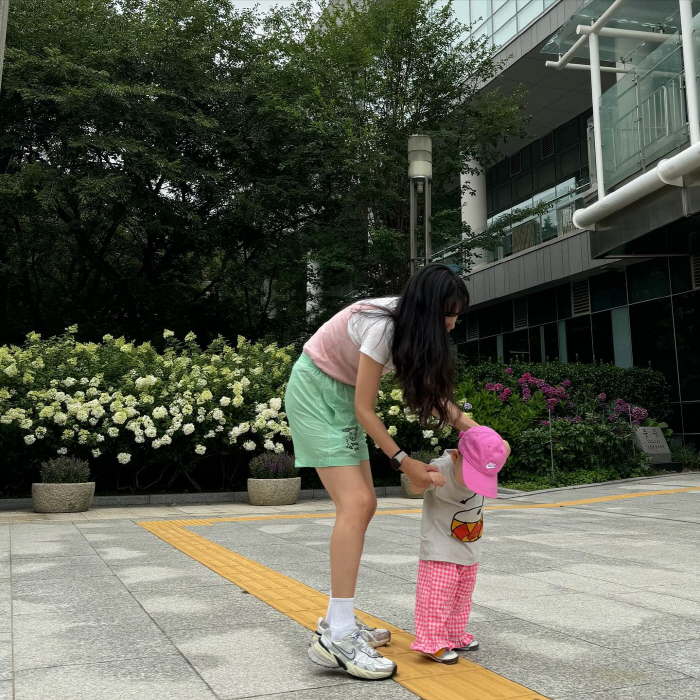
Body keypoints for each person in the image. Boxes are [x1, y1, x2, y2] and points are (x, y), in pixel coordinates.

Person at [285, 263, 480, 681]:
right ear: (427, 310)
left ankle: (337, 619)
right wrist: (404, 461)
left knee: (366, 504)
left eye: (457, 314)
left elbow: (431, 396)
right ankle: (336, 636)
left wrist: (477, 431)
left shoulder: (412, 330)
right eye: (448, 314)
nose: (452, 324)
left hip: (339, 394)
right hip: (314, 391)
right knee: (354, 504)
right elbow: (365, 410)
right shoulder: (383, 327)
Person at [408, 426, 509, 664]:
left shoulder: (487, 458)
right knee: (436, 597)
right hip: (439, 548)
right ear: (456, 457)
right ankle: (432, 641)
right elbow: (414, 486)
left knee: (462, 597)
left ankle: (454, 634)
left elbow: (505, 444)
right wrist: (424, 480)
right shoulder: (442, 466)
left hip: (469, 547)